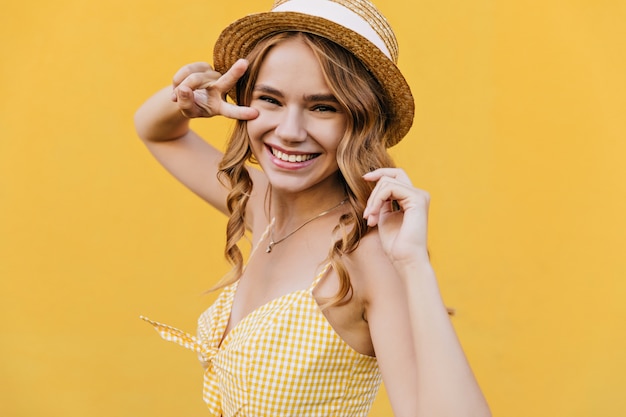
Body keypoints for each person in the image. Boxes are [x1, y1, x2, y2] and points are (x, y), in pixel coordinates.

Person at [135, 0, 491, 416]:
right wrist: (187, 99)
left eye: (323, 107)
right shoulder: (264, 207)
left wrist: (414, 265)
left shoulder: (366, 253)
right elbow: (157, 131)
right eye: (270, 99)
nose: (289, 132)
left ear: (361, 121)